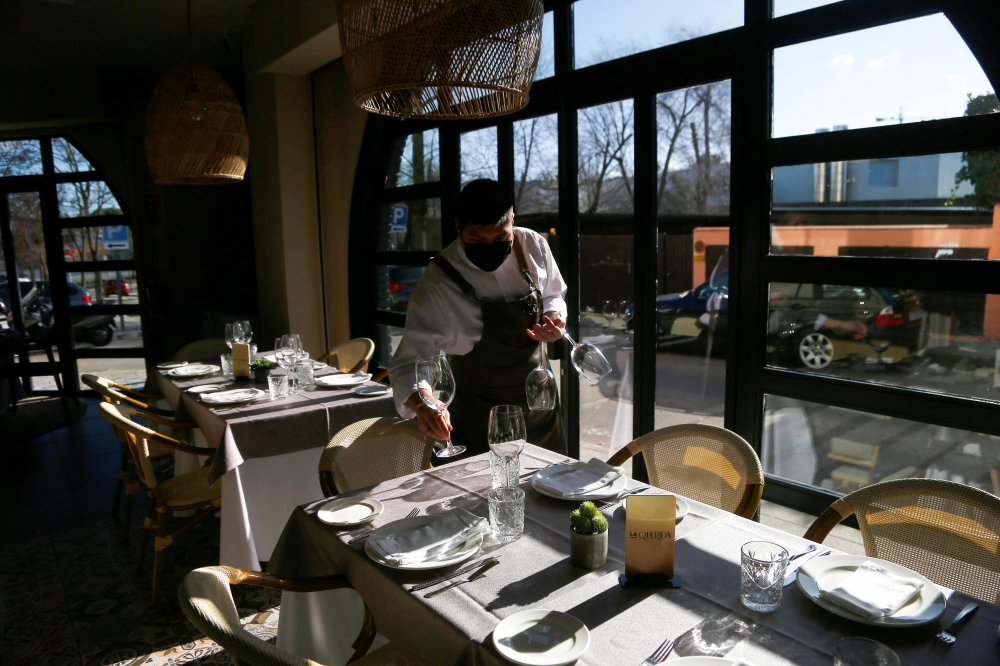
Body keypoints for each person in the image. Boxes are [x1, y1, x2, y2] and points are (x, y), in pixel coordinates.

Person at [388, 179, 567, 456]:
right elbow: (409, 362)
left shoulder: (532, 244)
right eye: (477, 239)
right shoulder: (438, 282)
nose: (490, 246)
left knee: (556, 489)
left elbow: (554, 292)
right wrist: (423, 404)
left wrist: (554, 316)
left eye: (501, 238)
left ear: (512, 221)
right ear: (458, 226)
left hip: (539, 409)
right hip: (479, 418)